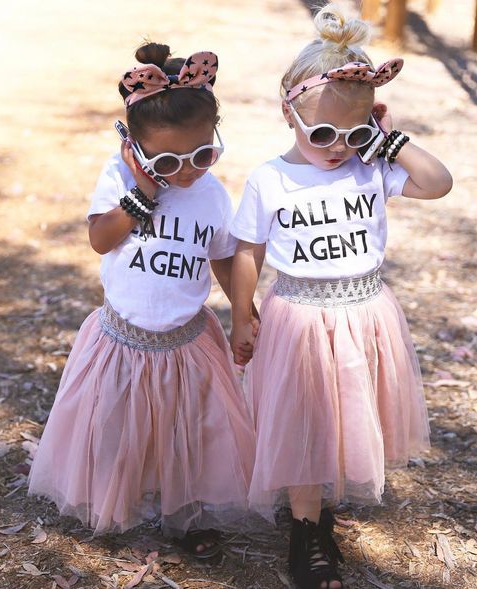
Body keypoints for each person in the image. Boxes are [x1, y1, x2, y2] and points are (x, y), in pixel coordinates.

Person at [230, 4, 452, 588]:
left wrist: (384, 141)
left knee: (348, 415)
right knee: (304, 421)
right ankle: (308, 529)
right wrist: (241, 314)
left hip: (363, 314)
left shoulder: (369, 167)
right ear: (289, 116)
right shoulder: (270, 178)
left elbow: (438, 182)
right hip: (299, 317)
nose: (336, 146)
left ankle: (323, 502)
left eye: (352, 133)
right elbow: (248, 251)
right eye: (323, 132)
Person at [28, 42, 255, 558]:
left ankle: (189, 512)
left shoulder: (212, 193)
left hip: (186, 342)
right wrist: (144, 190)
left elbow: (222, 256)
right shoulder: (118, 176)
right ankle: (120, 498)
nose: (190, 169)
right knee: (117, 428)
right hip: (121, 341)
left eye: (204, 153)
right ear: (134, 147)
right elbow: (101, 239)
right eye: (170, 159)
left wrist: (244, 312)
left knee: (190, 434)